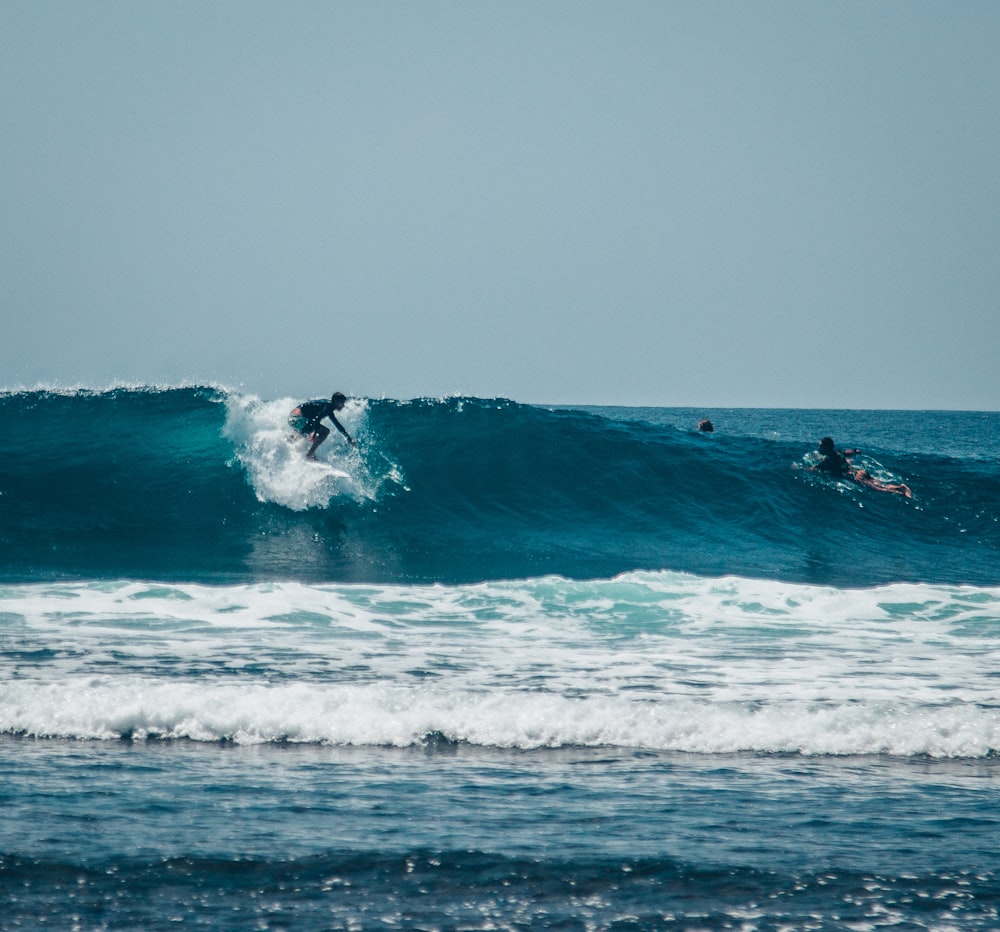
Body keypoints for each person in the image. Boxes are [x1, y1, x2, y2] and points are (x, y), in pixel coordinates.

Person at [810, 436, 911, 497]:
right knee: (880, 484)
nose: (819, 448)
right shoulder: (838, 452)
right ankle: (901, 487)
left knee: (878, 489)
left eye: (820, 446)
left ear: (826, 447)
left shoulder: (828, 460)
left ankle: (900, 490)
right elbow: (849, 452)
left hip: (856, 476)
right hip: (860, 471)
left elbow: (814, 468)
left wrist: (800, 469)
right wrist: (855, 451)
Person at [288, 392, 356, 459]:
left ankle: (290, 441)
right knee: (325, 431)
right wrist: (314, 432)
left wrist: (348, 438)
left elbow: (337, 425)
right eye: (342, 403)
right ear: (335, 401)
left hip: (292, 419)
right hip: (298, 419)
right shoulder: (327, 407)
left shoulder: (327, 406)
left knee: (305, 431)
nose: (343, 405)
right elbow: (316, 418)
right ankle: (310, 453)